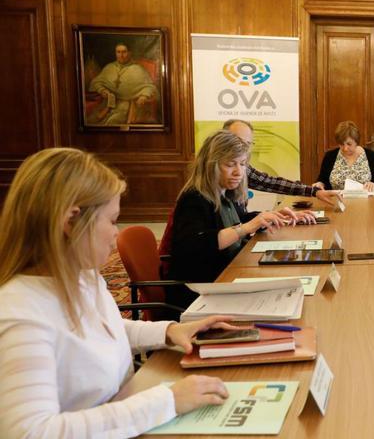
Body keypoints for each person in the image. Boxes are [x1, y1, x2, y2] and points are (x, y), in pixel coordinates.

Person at [0, 147, 237, 437]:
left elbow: (105, 330)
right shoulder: (20, 315)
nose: (116, 233)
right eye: (112, 221)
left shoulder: (83, 278)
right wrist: (167, 400)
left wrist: (169, 331)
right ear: (71, 222)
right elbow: (31, 432)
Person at [165, 130, 313, 310]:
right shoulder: (194, 198)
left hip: (226, 275)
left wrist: (275, 216)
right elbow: (195, 245)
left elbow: (239, 219)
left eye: (242, 164)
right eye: (230, 164)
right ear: (210, 165)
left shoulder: (225, 193)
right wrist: (246, 227)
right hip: (200, 291)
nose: (238, 172)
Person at [223, 119, 338, 205]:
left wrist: (314, 191)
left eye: (248, 144)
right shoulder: (209, 182)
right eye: (238, 142)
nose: (238, 172)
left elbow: (269, 182)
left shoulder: (244, 169)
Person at [88, 42, 159, 125]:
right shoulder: (109, 67)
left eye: (124, 52)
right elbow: (97, 82)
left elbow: (150, 87)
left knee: (111, 122)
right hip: (107, 103)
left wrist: (144, 96)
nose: (121, 55)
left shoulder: (138, 69)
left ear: (129, 53)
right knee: (92, 120)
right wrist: (102, 90)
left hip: (127, 105)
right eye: (118, 52)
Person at [313, 120, 374, 191]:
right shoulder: (330, 156)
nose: (345, 148)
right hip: (336, 201)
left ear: (356, 141)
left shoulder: (370, 156)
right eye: (341, 144)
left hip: (365, 202)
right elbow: (322, 179)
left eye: (349, 144)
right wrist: (319, 184)